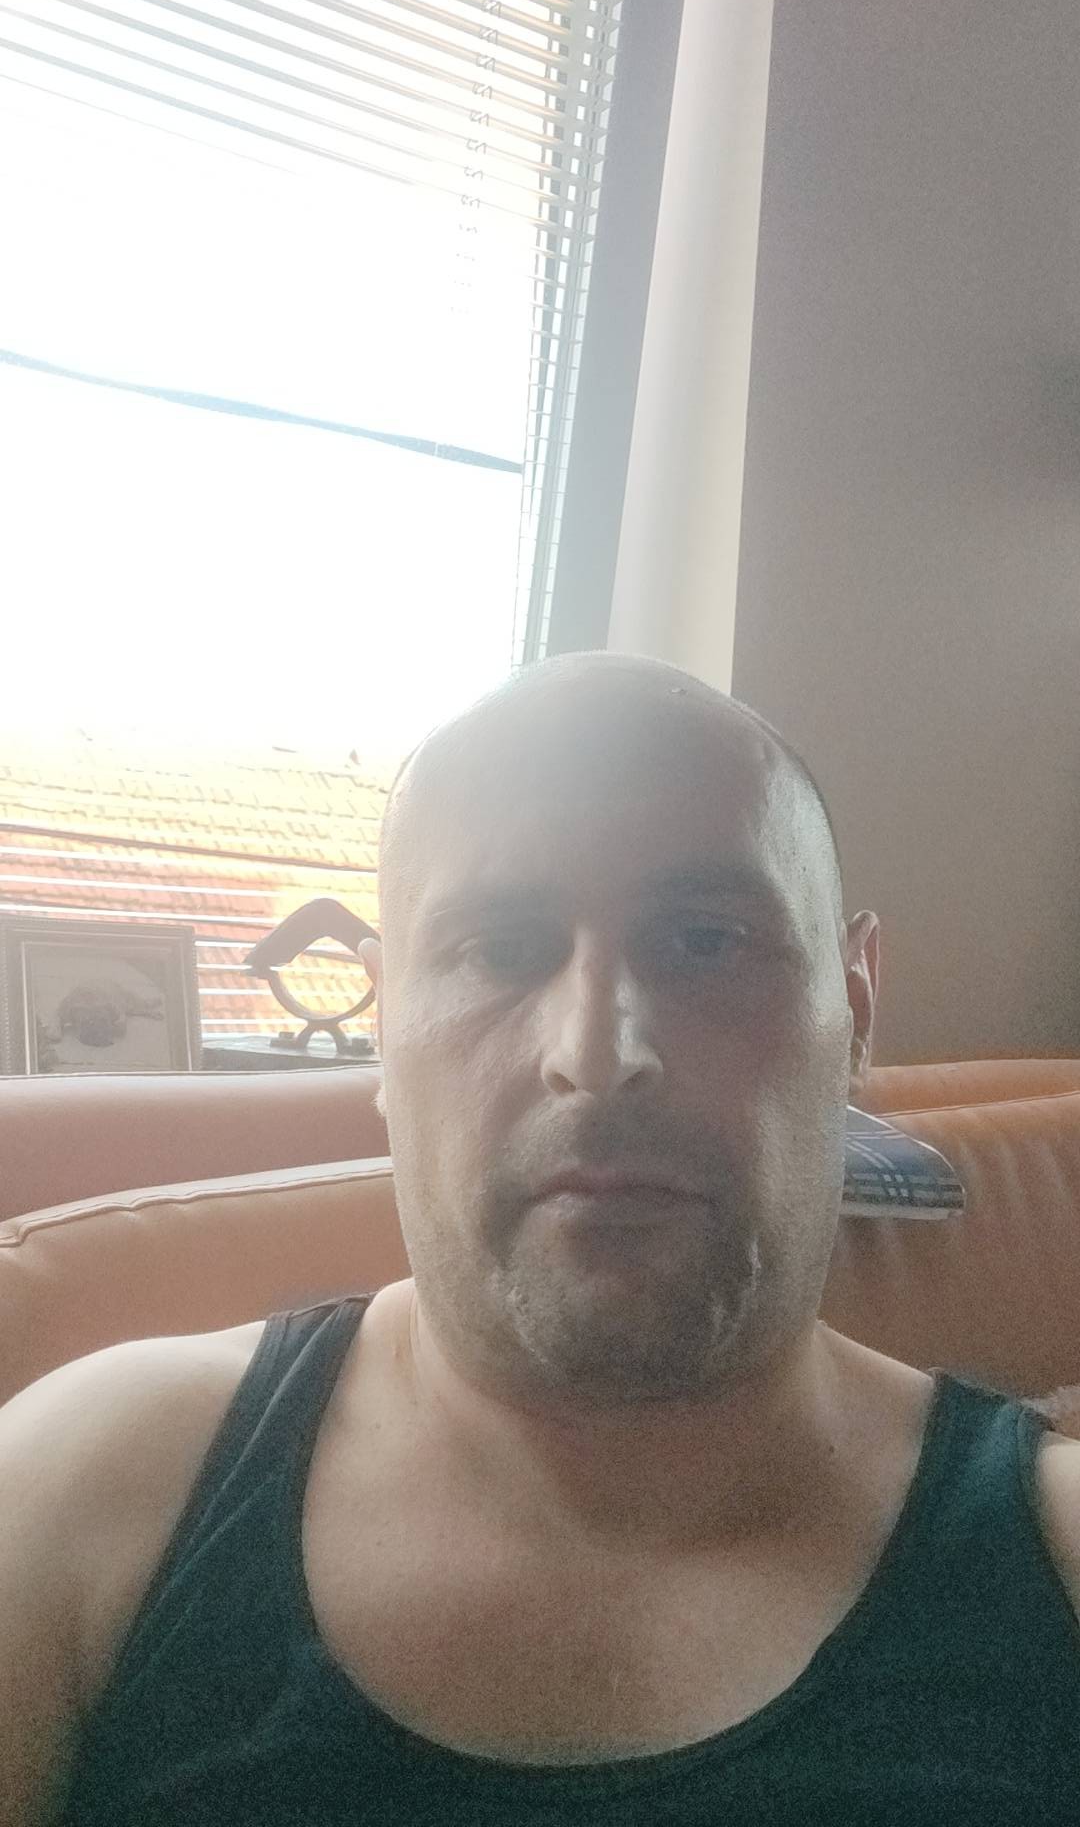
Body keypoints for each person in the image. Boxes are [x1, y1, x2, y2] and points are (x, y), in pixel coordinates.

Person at [2, 652, 1078, 1826]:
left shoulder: (1058, 1556)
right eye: (499, 949)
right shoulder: (93, 1488)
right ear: (384, 1023)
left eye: (706, 940)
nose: (598, 1053)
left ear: (855, 1009)